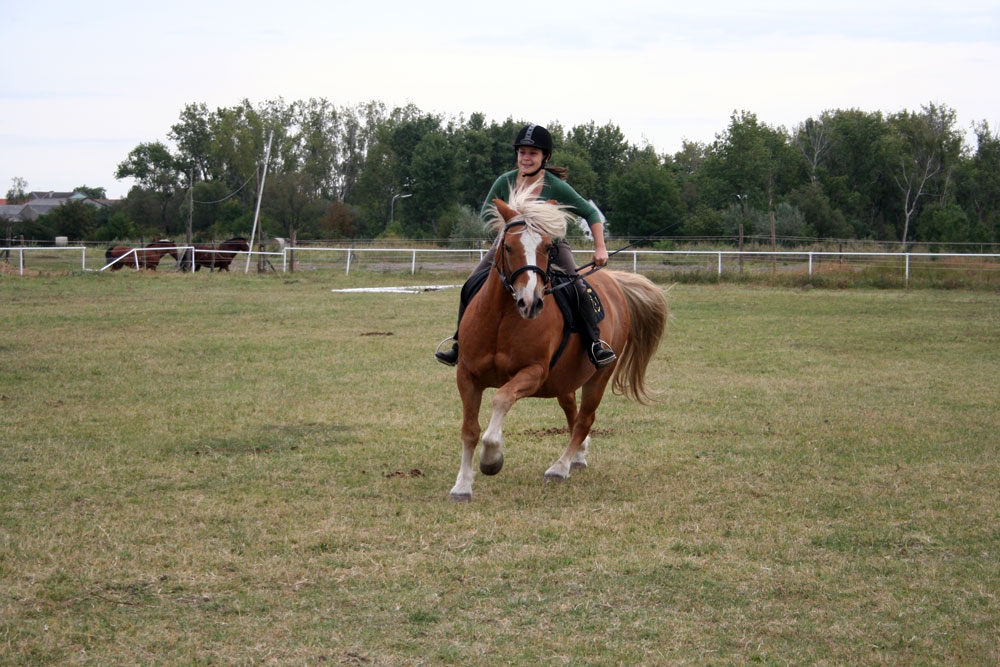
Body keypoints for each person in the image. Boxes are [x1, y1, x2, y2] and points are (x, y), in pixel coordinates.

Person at [435, 123, 617, 368]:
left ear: (545, 157)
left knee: (578, 286)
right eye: (522, 152)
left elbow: (590, 214)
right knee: (471, 283)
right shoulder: (504, 181)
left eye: (533, 153)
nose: (526, 158)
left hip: (550, 245)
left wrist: (600, 247)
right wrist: (511, 234)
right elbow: (485, 215)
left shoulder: (556, 185)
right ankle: (459, 343)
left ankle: (595, 343)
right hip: (509, 244)